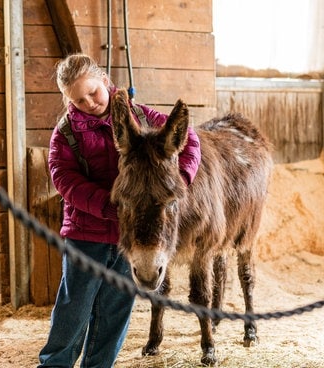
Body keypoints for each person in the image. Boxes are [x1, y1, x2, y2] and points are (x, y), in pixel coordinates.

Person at [37, 53, 201, 367]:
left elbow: (189, 138)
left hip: (131, 238)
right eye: (78, 99)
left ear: (105, 81)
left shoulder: (140, 116)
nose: (88, 102)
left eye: (93, 92)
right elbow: (64, 179)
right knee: (74, 309)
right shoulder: (67, 133)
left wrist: (181, 177)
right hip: (87, 234)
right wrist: (109, 207)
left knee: (115, 311)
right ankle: (55, 363)